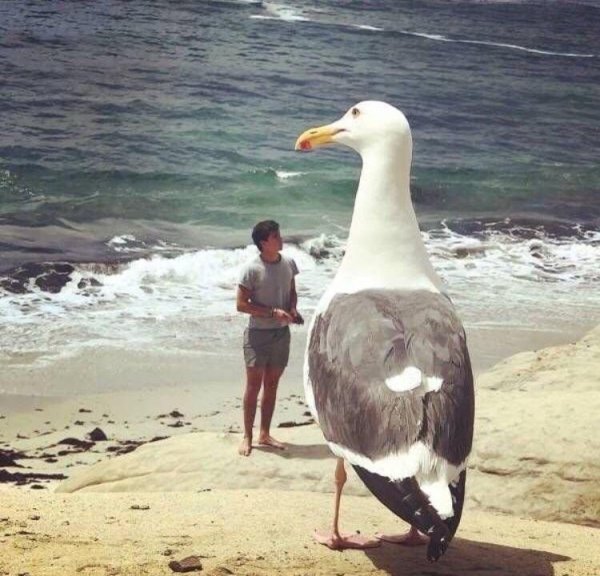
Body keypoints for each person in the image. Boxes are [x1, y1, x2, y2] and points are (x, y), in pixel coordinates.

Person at [236, 220, 302, 457]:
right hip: (257, 335)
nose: (280, 238)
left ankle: (264, 433)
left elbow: (292, 291)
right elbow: (241, 305)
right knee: (253, 386)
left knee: (272, 385)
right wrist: (273, 312)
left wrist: (293, 310)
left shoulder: (288, 263)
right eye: (275, 236)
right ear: (264, 243)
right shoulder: (251, 269)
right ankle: (247, 436)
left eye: (279, 234)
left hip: (281, 334)